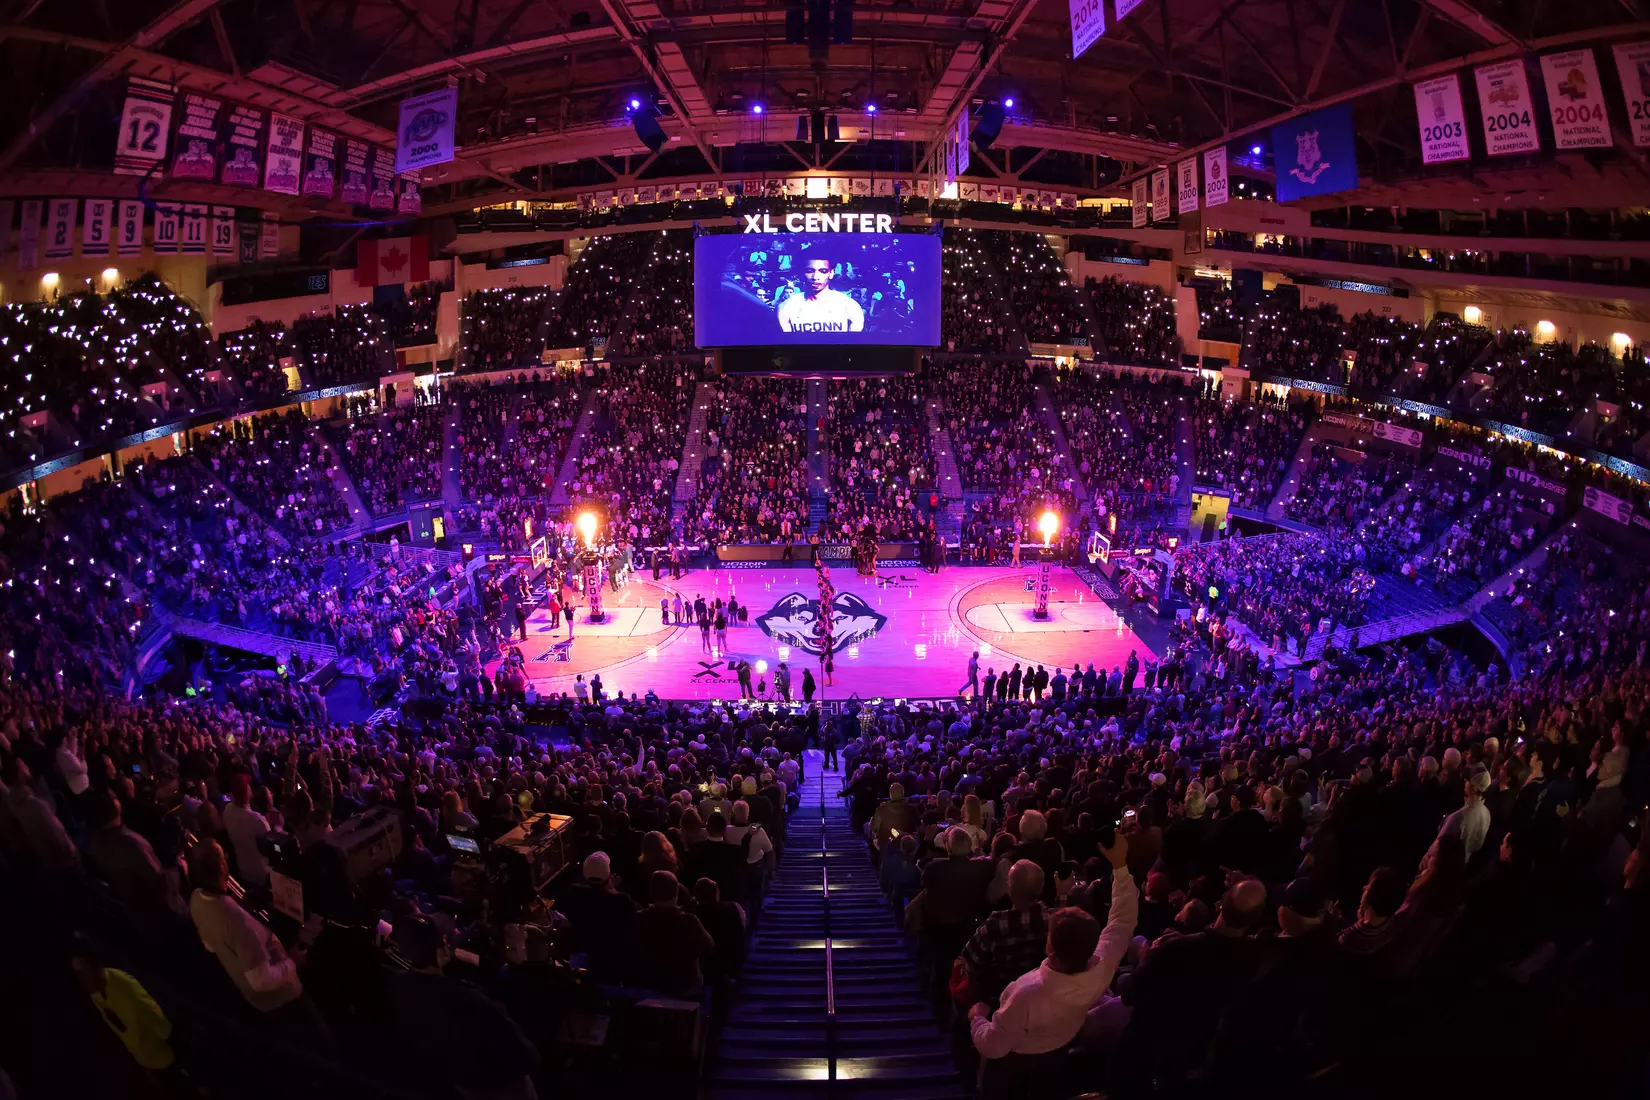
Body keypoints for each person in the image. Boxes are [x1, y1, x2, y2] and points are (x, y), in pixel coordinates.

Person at [967, 833, 1136, 1073]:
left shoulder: (1024, 994)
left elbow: (993, 1046)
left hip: (1016, 1065)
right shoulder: (1103, 970)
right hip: (1059, 1053)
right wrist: (1120, 867)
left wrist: (976, 1018)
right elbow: (1122, 921)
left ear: (1050, 947)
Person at [385, 916, 541, 1100]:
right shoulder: (467, 999)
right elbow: (523, 1053)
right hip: (495, 1085)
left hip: (456, 1082)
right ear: (439, 950)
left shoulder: (397, 987)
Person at [71, 939, 175, 1073]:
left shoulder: (124, 986)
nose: (82, 979)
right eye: (78, 974)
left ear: (97, 965)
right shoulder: (95, 994)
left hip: (166, 1060)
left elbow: (161, 1024)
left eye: (84, 972)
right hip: (146, 1061)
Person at [959, 859, 1051, 1008]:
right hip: (1043, 1000)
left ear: (1009, 889)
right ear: (1041, 889)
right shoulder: (1053, 921)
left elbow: (970, 965)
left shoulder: (994, 925)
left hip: (999, 1003)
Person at [635, 869, 717, 997]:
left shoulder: (638, 919)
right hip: (684, 987)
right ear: (676, 895)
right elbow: (709, 947)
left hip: (648, 983)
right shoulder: (689, 921)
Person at [777, 256, 865, 334]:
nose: (815, 277)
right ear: (802, 274)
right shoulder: (787, 307)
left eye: (823, 271)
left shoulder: (849, 306)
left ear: (831, 273)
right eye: (809, 271)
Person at [222, 773, 271, 888]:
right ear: (246, 791)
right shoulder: (257, 820)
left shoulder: (227, 811)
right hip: (262, 873)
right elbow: (270, 847)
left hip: (243, 870)